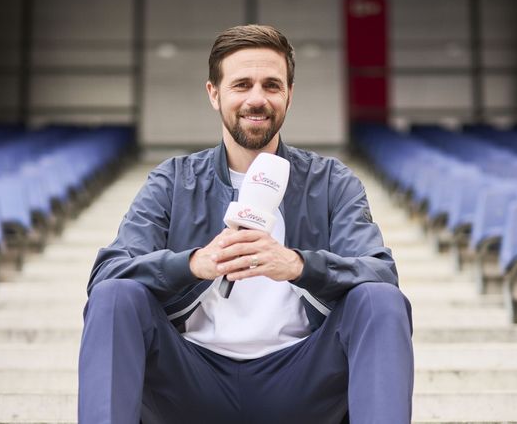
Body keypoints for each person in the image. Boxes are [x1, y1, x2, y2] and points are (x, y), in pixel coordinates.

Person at [78, 24, 414, 424]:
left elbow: (379, 269)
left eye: (272, 85)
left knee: (380, 300)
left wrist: (299, 266)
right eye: (242, 85)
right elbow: (109, 271)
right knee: (115, 297)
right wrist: (193, 263)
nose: (257, 98)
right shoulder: (173, 180)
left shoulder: (332, 181)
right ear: (214, 93)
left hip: (302, 379)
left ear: (289, 95)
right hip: (191, 380)